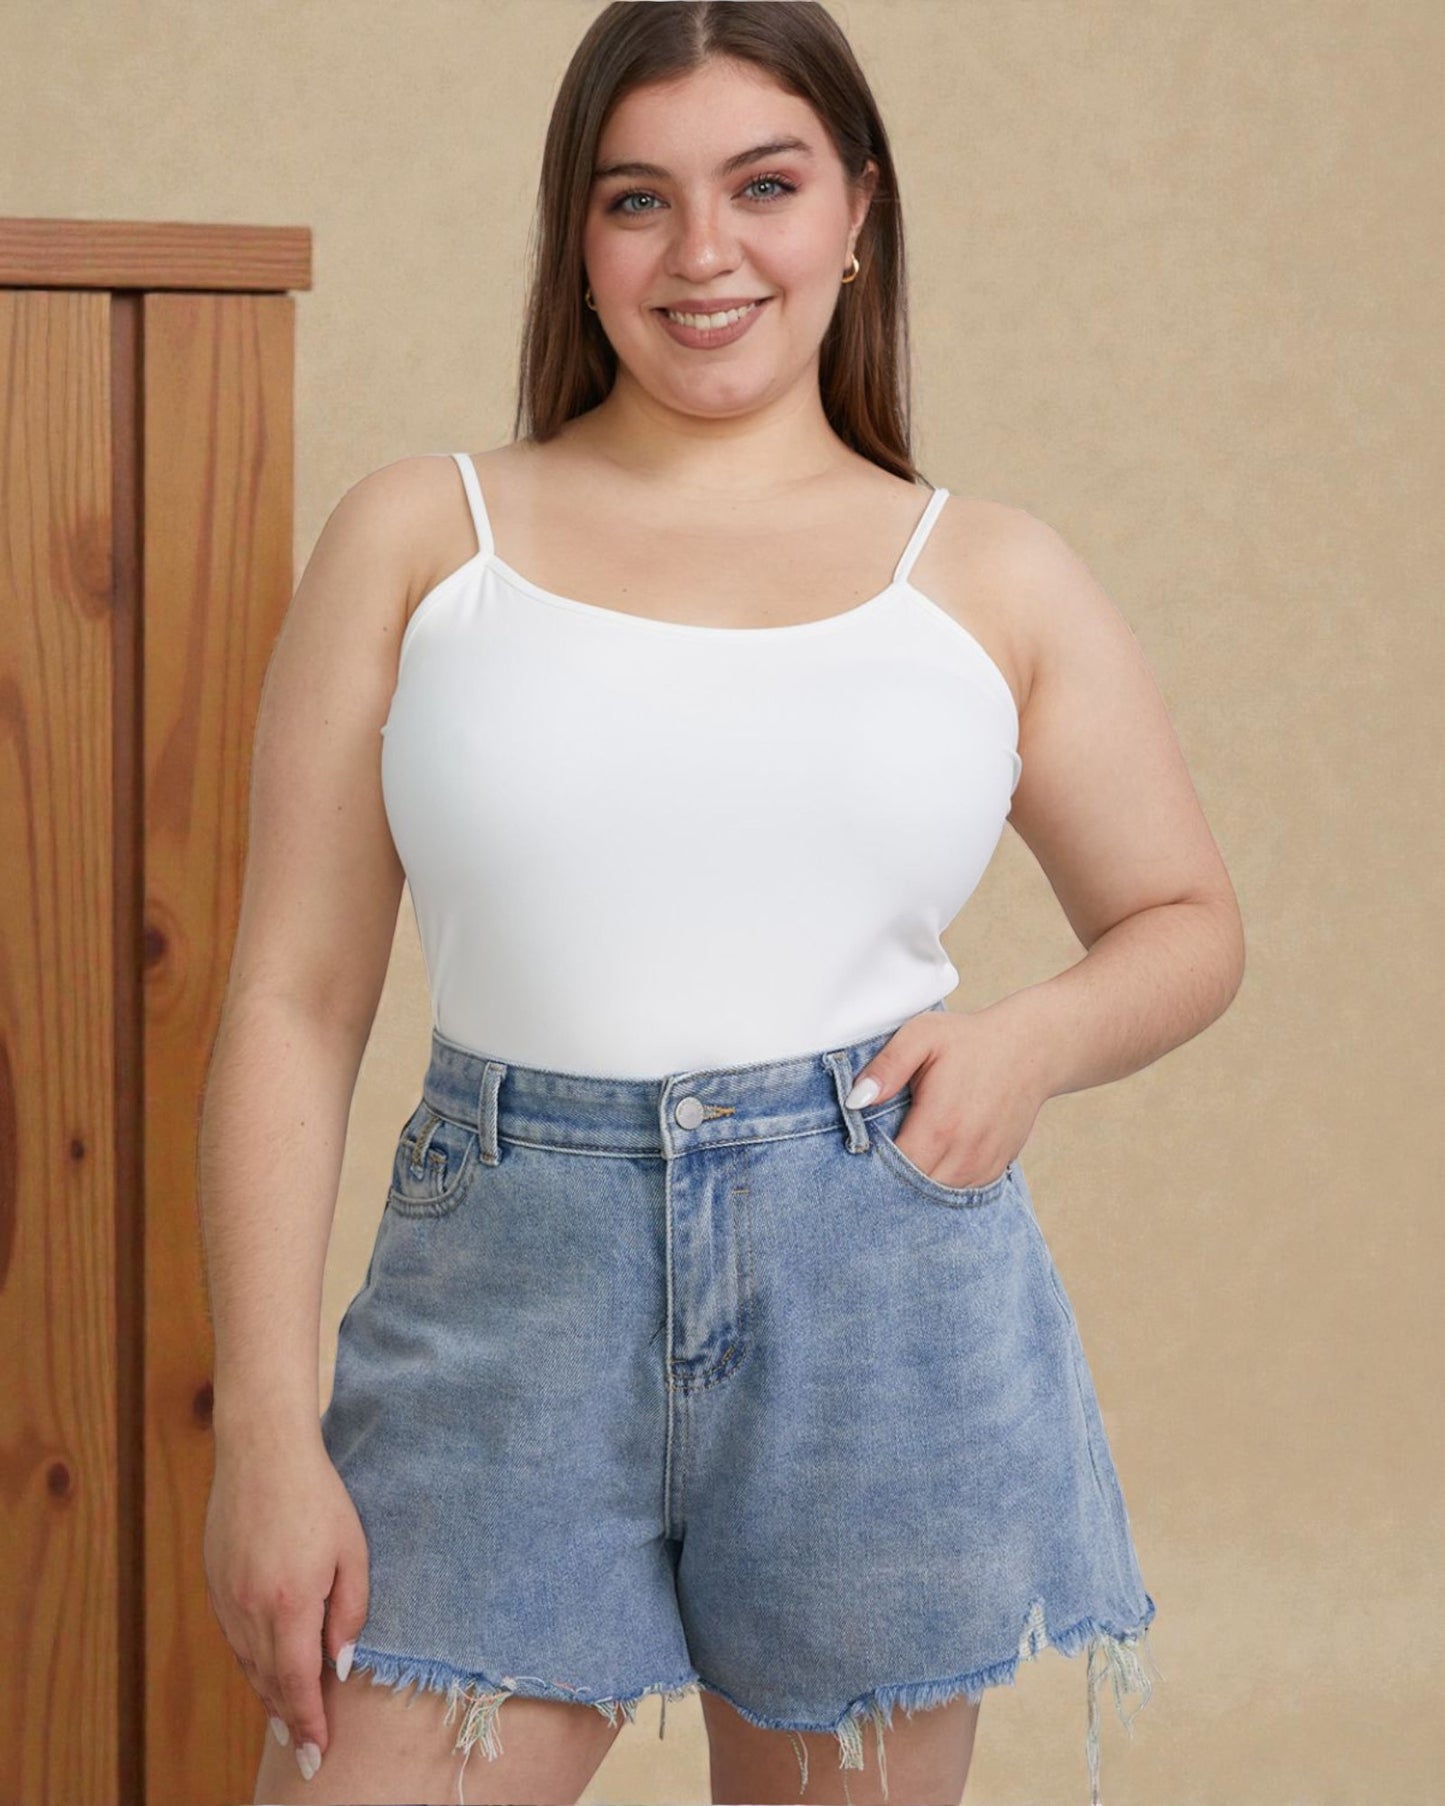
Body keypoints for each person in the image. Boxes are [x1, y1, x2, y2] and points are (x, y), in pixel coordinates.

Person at [199, 5, 1244, 1805]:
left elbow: (1182, 919)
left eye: (762, 185)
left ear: (858, 209)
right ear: (574, 238)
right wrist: (267, 1435)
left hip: (878, 1294)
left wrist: (1026, 1044)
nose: (702, 254)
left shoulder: (985, 576)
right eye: (635, 200)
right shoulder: (421, 540)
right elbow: (294, 1003)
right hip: (498, 1299)